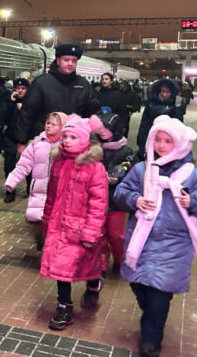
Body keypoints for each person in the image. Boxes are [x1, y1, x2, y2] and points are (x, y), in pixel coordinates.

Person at [114, 116, 197, 357]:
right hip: (140, 243)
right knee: (139, 286)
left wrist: (193, 201)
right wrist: (135, 200)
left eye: (168, 141)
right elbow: (121, 192)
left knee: (158, 296)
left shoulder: (191, 175)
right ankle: (153, 316)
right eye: (158, 140)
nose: (161, 146)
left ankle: (151, 340)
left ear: (181, 144)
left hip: (174, 245)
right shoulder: (143, 170)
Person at [42, 115, 108, 331]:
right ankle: (64, 306)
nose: (67, 140)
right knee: (61, 267)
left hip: (83, 228)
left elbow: (99, 203)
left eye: (73, 137)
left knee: (89, 262)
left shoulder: (94, 168)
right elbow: (51, 195)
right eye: (66, 136)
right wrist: (47, 218)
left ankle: (93, 284)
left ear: (85, 140)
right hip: (60, 226)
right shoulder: (59, 163)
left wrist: (91, 231)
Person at [15, 44, 100, 155]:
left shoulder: (83, 85)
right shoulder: (41, 83)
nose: (70, 63)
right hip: (44, 143)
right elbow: (27, 113)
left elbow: (93, 113)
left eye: (74, 61)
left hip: (74, 145)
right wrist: (22, 141)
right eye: (66, 60)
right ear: (58, 60)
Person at [4, 112, 66, 248]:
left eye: (54, 124)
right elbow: (23, 165)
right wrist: (12, 181)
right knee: (38, 219)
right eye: (48, 123)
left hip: (59, 191)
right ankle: (42, 241)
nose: (49, 126)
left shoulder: (67, 145)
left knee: (56, 222)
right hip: (39, 189)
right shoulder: (37, 144)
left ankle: (50, 247)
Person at [89, 111, 136, 272]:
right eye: (100, 128)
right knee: (99, 233)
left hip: (116, 200)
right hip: (97, 198)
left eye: (106, 128)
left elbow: (127, 169)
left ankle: (120, 258)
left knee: (116, 234)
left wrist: (116, 177)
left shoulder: (126, 151)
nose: (102, 131)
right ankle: (102, 261)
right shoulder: (94, 149)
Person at [136, 79, 183, 157]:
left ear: (172, 93)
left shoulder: (176, 104)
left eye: (167, 92)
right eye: (162, 92)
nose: (164, 94)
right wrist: (142, 142)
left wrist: (178, 106)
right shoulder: (151, 103)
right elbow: (144, 123)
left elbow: (179, 123)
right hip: (153, 137)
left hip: (169, 139)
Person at [2, 78, 29, 201]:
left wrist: (23, 109)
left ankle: (30, 188)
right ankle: (10, 191)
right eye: (18, 88)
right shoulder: (9, 101)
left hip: (27, 138)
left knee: (29, 165)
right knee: (9, 165)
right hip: (11, 137)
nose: (20, 91)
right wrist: (11, 103)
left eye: (23, 89)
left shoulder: (31, 102)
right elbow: (3, 117)